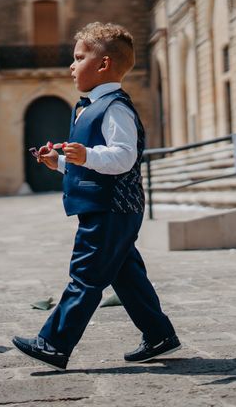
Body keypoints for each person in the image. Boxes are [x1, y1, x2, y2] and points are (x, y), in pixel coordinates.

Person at [12, 22, 179, 371]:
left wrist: (85, 155)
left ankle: (54, 344)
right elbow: (90, 167)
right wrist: (59, 161)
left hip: (113, 208)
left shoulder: (115, 107)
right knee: (126, 275)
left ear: (103, 65)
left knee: (85, 276)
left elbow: (123, 157)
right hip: (103, 207)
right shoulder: (85, 107)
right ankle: (159, 334)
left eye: (78, 58)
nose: (71, 66)